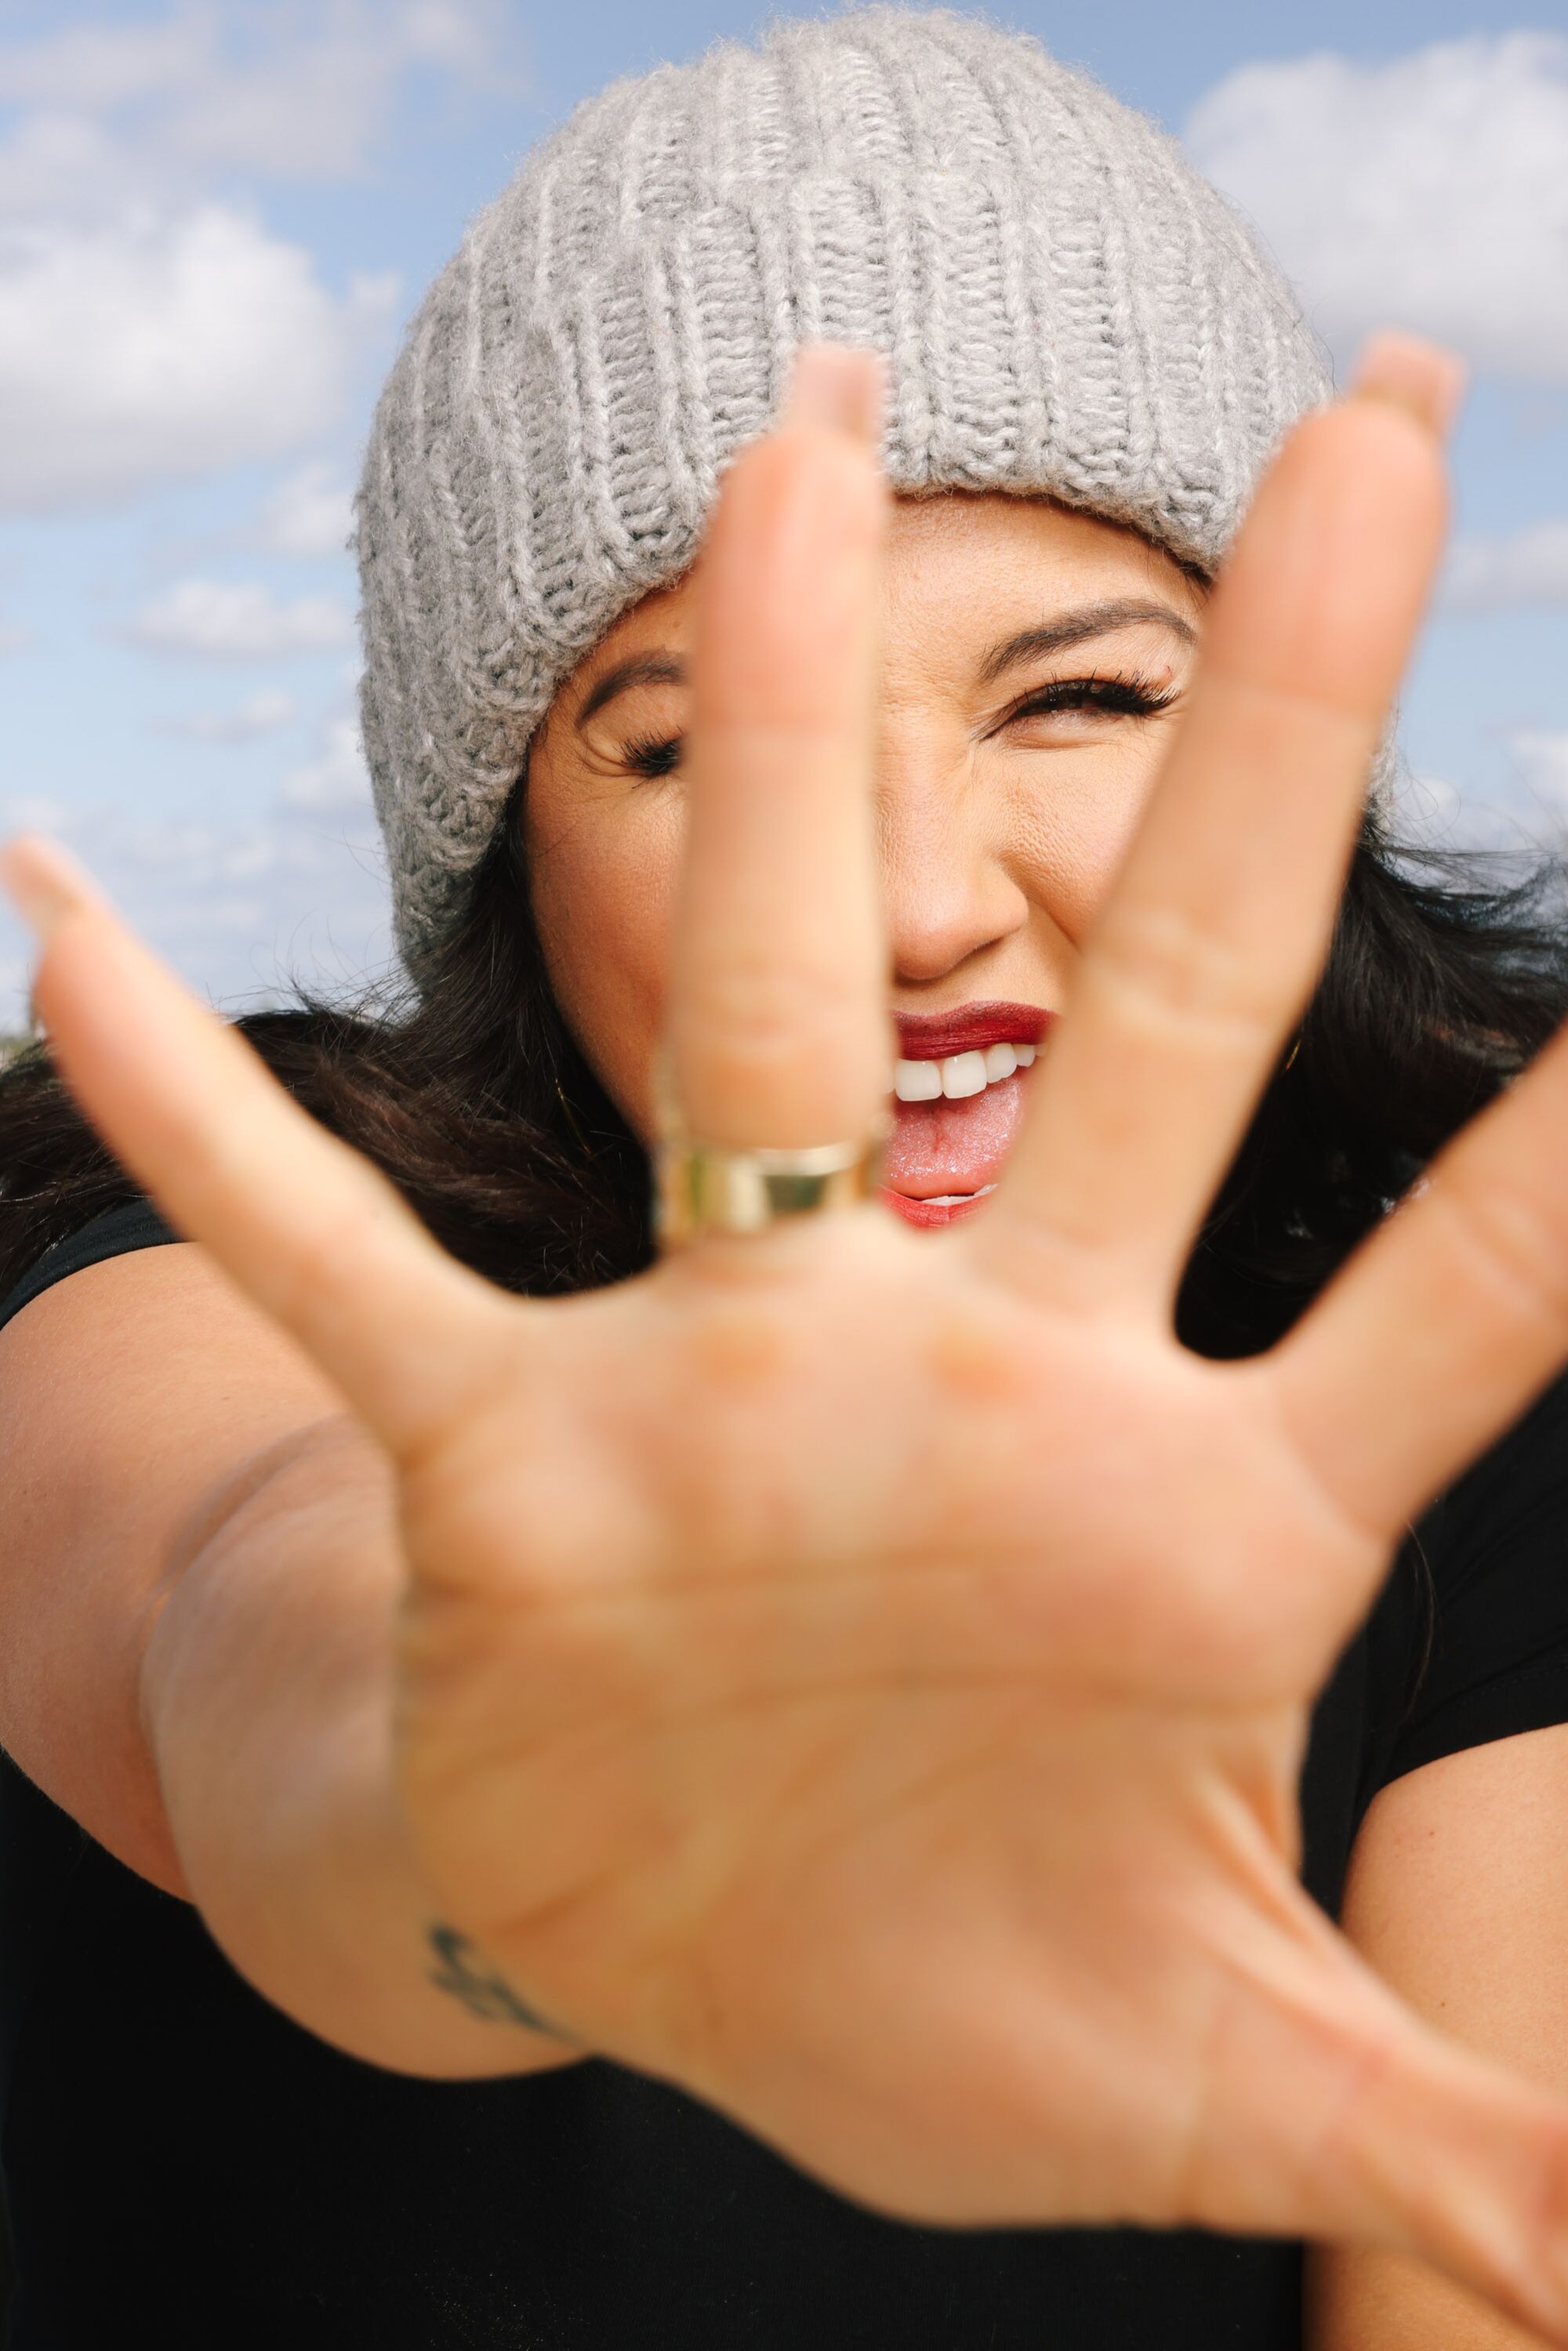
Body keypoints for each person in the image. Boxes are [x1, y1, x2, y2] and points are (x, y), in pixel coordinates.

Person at [4, 8, 1568, 2346]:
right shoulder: (200, 1246)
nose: (918, 896)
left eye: (1082, 699)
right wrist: (546, 1762)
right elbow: (237, 1608)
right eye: (706, 740)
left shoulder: (1441, 1373)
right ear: (508, 860)